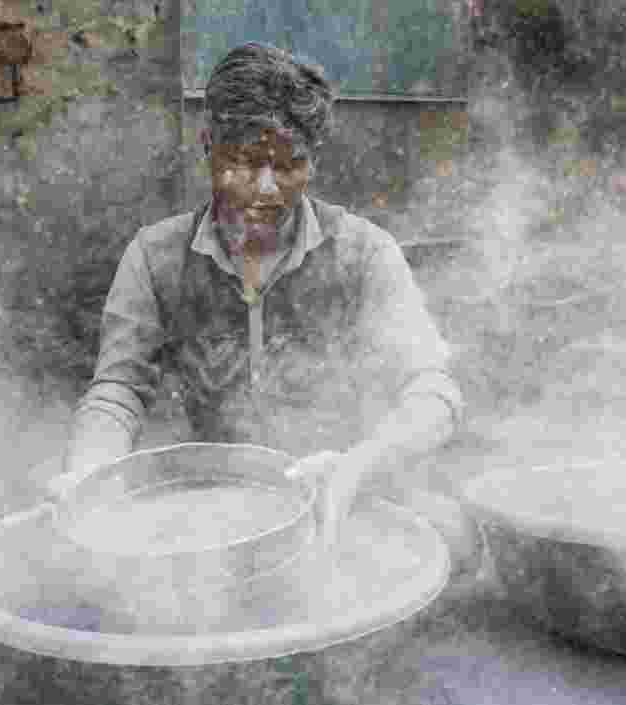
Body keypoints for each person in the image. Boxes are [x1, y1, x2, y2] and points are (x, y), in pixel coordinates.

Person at [50, 42, 464, 548]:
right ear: (208, 145)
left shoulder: (363, 253)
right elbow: (118, 393)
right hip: (213, 513)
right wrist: (88, 478)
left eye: (290, 166)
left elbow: (433, 393)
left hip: (341, 492)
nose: (267, 189)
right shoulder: (155, 257)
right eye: (245, 163)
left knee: (453, 538)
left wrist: (358, 467)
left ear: (313, 159)